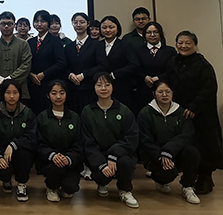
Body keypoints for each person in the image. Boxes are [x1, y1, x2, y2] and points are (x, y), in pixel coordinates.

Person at [165, 31, 223, 194]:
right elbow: (167, 81)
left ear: (195, 45)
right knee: (187, 146)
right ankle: (190, 179)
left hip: (201, 115)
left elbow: (209, 89)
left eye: (188, 43)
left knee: (204, 147)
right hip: (180, 113)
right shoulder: (173, 62)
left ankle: (205, 179)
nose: (183, 46)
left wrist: (194, 107)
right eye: (180, 43)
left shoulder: (203, 65)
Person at [81, 72, 139, 208]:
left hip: (119, 154)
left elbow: (131, 137)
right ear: (94, 88)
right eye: (99, 85)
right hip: (98, 155)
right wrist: (101, 163)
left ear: (113, 86)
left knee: (126, 162)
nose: (103, 88)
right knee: (100, 174)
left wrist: (114, 155)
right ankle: (102, 183)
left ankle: (125, 190)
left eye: (107, 85)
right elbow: (87, 142)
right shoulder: (87, 111)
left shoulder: (124, 110)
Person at [137, 80, 200, 204]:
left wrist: (168, 151)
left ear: (172, 93)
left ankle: (188, 187)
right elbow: (145, 140)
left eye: (168, 91)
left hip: (174, 153)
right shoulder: (145, 113)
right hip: (155, 156)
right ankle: (160, 180)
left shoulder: (181, 112)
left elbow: (186, 135)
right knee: (168, 174)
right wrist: (161, 155)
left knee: (192, 152)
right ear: (154, 94)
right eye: (160, 92)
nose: (164, 95)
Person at [0, 80, 36, 202]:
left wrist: (13, 145)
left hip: (20, 151)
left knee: (24, 155)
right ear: (3, 94)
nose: (12, 96)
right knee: (2, 170)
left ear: (20, 94)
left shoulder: (27, 113)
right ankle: (6, 180)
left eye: (15, 92)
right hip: (1, 153)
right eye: (8, 92)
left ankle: (21, 184)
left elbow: (31, 137)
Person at [37, 80, 83, 202]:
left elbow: (79, 143)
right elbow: (39, 143)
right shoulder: (42, 117)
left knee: (71, 188)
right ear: (48, 95)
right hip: (49, 161)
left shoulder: (75, 117)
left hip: (70, 161)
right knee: (57, 168)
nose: (58, 97)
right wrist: (52, 155)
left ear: (66, 94)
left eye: (62, 93)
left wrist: (68, 158)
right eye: (54, 93)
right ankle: (51, 187)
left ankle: (62, 185)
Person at [64, 12, 108, 113]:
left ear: (88, 24)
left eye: (82, 22)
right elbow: (65, 66)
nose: (78, 25)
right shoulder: (69, 47)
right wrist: (70, 75)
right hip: (72, 90)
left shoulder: (96, 45)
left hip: (89, 88)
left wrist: (83, 75)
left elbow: (103, 65)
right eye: (75, 22)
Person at [28, 10, 67, 114]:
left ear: (48, 23)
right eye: (36, 21)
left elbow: (61, 63)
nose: (39, 24)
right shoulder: (30, 42)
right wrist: (30, 74)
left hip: (49, 84)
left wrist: (44, 74)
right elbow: (27, 62)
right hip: (33, 85)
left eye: (43, 21)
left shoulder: (55, 40)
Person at [0, 11, 32, 107]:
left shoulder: (23, 44)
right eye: (3, 24)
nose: (6, 27)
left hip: (20, 91)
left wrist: (10, 79)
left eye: (9, 24)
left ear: (14, 25)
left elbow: (26, 65)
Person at [99, 15, 140, 112]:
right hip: (101, 88)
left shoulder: (125, 45)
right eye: (104, 27)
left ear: (117, 29)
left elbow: (134, 65)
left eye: (111, 27)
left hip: (121, 86)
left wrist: (114, 75)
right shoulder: (97, 45)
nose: (107, 30)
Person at [135, 21, 176, 112]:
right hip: (144, 89)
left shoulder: (170, 51)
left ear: (160, 34)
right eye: (149, 32)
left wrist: (158, 78)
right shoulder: (137, 51)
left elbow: (173, 69)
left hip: (164, 89)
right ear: (144, 35)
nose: (152, 35)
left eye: (155, 32)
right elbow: (134, 68)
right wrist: (145, 77)